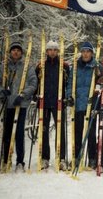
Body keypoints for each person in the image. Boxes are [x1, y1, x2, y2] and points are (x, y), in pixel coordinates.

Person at [0, 41, 37, 172]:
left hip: (21, 104)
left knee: (19, 134)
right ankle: (6, 160)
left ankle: (20, 162)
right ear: (10, 52)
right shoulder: (4, 67)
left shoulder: (27, 67)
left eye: (18, 50)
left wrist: (23, 95)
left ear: (21, 53)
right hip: (8, 105)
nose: (16, 52)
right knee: (7, 134)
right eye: (13, 50)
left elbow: (33, 83)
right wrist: (1, 91)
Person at [66, 41, 103, 169]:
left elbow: (102, 81)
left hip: (90, 104)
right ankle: (76, 157)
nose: (86, 54)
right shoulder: (76, 66)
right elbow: (70, 82)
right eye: (84, 51)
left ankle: (92, 157)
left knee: (91, 133)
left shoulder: (96, 66)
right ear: (81, 53)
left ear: (92, 53)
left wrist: (99, 73)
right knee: (77, 132)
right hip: (78, 104)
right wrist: (69, 96)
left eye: (88, 51)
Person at [35, 40, 70, 170]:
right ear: (47, 51)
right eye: (50, 50)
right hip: (44, 102)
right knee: (43, 130)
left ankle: (61, 158)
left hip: (58, 101)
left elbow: (68, 83)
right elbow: (36, 82)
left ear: (58, 51)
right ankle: (45, 158)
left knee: (60, 131)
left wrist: (66, 96)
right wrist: (35, 94)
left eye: (55, 50)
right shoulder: (41, 65)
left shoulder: (64, 66)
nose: (52, 52)